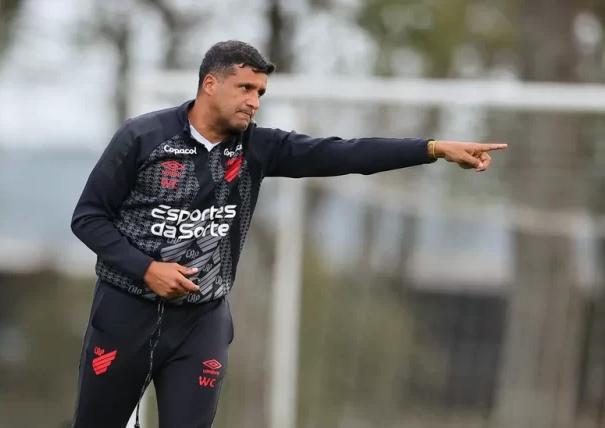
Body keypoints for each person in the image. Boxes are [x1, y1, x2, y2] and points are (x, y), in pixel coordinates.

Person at [69, 40, 507, 428]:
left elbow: (346, 154)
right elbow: (88, 217)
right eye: (245, 89)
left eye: (260, 92)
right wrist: (147, 269)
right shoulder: (143, 137)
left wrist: (432, 149)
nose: (254, 102)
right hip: (125, 315)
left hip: (200, 323)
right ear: (209, 85)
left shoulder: (258, 148)